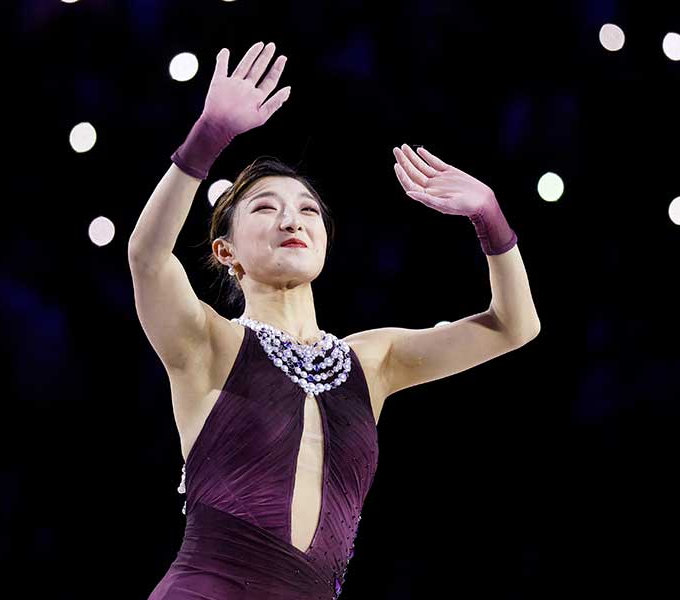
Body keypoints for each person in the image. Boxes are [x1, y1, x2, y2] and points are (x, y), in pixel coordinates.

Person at [129, 41, 538, 600]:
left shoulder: (374, 359)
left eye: (308, 210)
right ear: (226, 252)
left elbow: (515, 326)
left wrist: (489, 216)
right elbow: (148, 258)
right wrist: (206, 141)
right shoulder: (210, 343)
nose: (291, 218)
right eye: (266, 207)